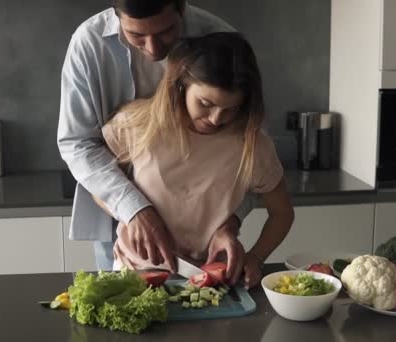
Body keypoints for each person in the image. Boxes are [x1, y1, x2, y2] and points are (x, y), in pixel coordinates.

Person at [58, 0, 258, 282]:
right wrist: (134, 210)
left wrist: (230, 222)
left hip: (205, 237)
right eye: (137, 36)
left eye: (166, 32)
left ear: (182, 8)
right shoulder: (88, 44)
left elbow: (248, 147)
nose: (153, 50)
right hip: (123, 221)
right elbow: (79, 143)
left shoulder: (221, 39)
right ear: (117, 16)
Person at [99, 32, 295, 289]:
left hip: (207, 280)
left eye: (231, 109)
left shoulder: (254, 145)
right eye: (205, 103)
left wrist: (256, 257)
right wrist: (129, 213)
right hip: (131, 273)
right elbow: (96, 182)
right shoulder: (136, 124)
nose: (216, 119)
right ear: (181, 84)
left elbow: (282, 214)